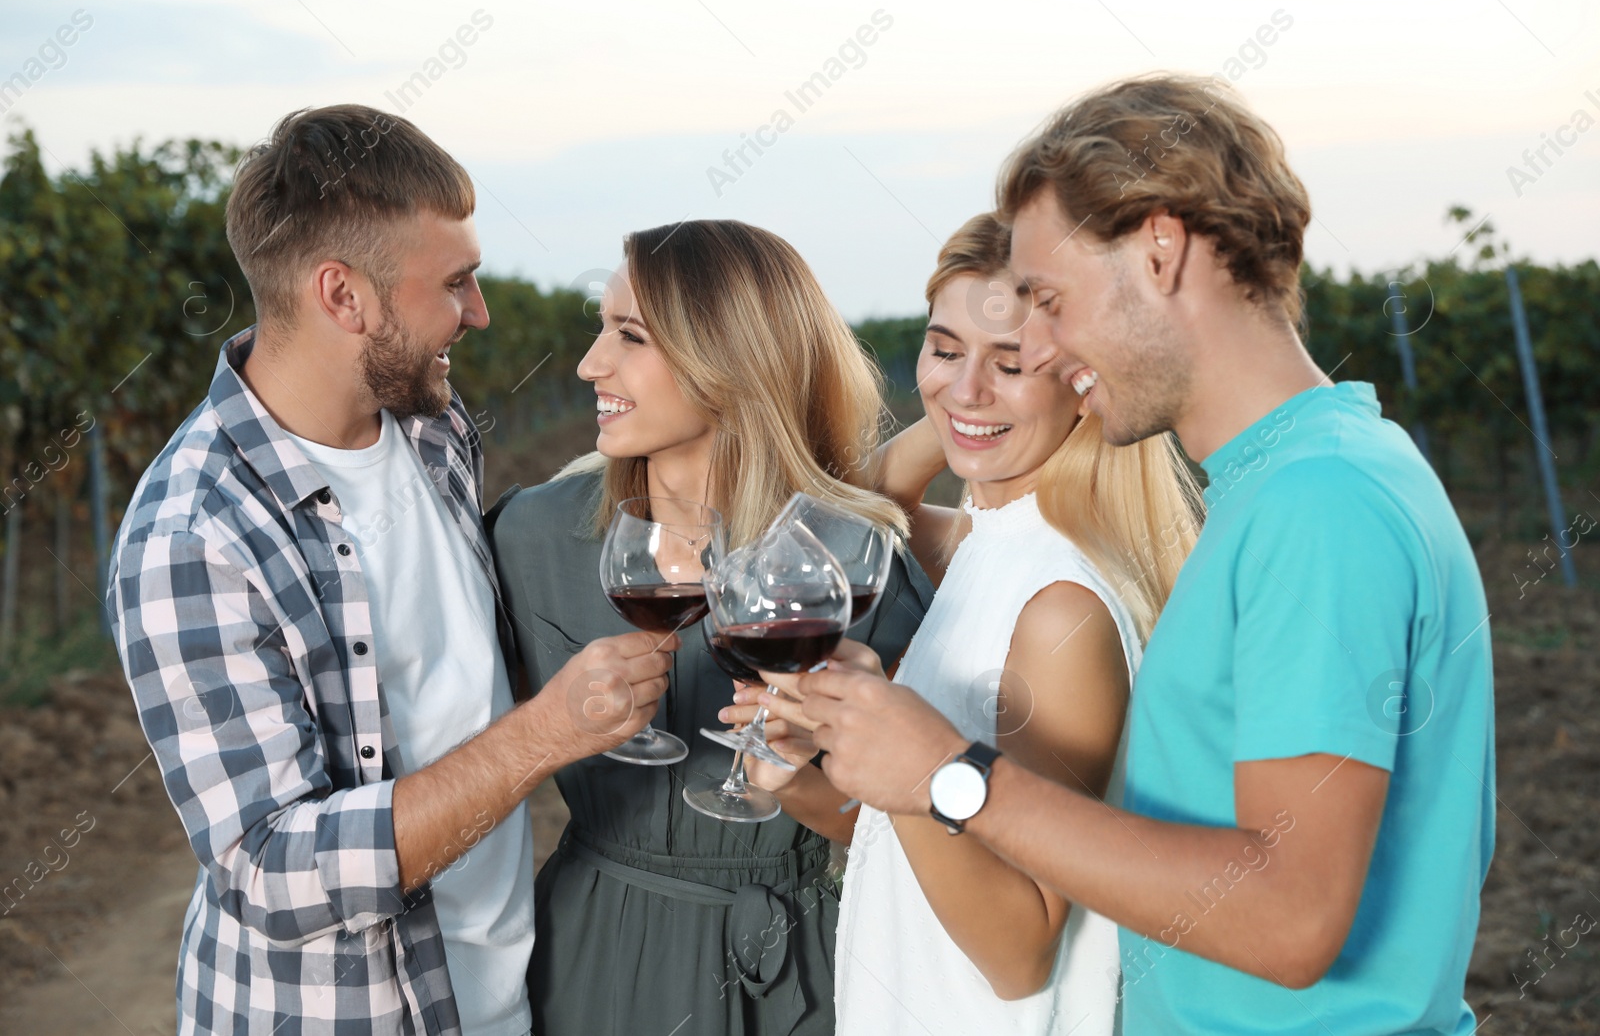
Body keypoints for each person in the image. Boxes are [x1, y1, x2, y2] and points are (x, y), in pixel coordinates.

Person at [790, 74, 1495, 1035]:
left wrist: (949, 775)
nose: (1035, 345)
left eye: (1047, 298)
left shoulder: (1319, 503)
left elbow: (1291, 918)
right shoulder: (1286, 481)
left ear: (1159, 249)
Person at [107, 104, 674, 1036]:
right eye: (456, 283)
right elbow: (271, 870)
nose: (481, 313)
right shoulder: (195, 532)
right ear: (344, 297)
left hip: (494, 998)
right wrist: (545, 735)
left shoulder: (432, 429)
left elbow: (455, 671)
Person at [731, 213, 1200, 1034]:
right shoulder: (987, 541)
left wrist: (905, 758)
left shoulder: (1061, 605)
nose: (966, 383)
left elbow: (1020, 951)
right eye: (943, 347)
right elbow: (862, 507)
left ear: (1089, 382)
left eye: (1013, 362)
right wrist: (805, 779)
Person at [487, 219, 932, 1036]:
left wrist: (794, 780)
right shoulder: (529, 538)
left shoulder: (853, 561)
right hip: (593, 958)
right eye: (600, 328)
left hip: (793, 969)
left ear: (728, 359)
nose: (590, 363)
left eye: (629, 335)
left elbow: (900, 837)